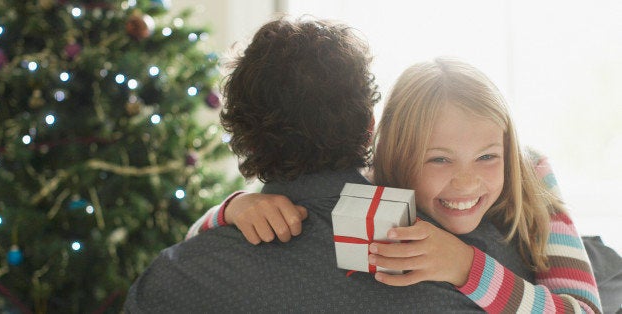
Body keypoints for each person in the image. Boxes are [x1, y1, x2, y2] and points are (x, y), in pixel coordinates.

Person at [124, 17, 536, 312]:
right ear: (370, 127)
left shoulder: (173, 279)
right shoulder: (476, 261)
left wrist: (227, 211)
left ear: (240, 137)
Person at [186, 58, 604, 313]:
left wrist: (465, 266)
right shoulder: (371, 186)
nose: (466, 181)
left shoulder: (532, 172)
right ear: (399, 157)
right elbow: (193, 240)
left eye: (487, 157)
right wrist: (233, 208)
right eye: (439, 159)